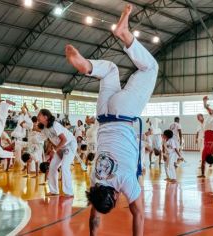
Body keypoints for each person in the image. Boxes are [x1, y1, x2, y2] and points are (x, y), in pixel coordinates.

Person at [66, 4, 158, 236]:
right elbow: (95, 216)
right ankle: (87, 66)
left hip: (125, 114)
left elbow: (139, 213)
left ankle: (124, 34)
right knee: (110, 70)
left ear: (115, 196)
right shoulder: (95, 179)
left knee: (150, 68)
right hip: (104, 114)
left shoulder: (125, 181)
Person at [37, 109, 77, 197]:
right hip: (60, 146)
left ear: (45, 117)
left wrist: (54, 150)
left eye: (39, 115)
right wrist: (51, 151)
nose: (37, 116)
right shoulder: (44, 129)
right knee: (52, 167)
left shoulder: (55, 125)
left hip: (69, 145)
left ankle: (69, 192)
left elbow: (64, 139)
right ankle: (54, 191)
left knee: (64, 166)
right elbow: (52, 140)